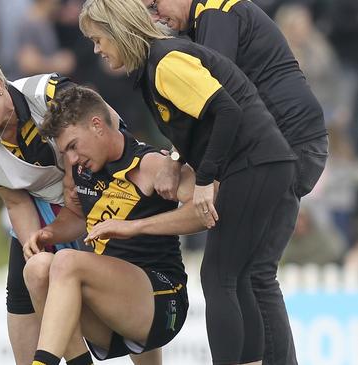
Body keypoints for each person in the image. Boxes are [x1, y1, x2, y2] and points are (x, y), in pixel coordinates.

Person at [78, 1, 298, 364]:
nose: (97, 49)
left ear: (117, 29)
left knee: (218, 277)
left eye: (97, 39)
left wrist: (204, 179)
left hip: (256, 163)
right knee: (235, 276)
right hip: (261, 163)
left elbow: (227, 110)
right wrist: (179, 159)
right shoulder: (153, 65)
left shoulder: (164, 61)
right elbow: (199, 127)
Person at [131, 1, 331, 363]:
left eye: (155, 4)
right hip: (294, 140)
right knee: (250, 272)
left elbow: (214, 98)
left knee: (248, 273)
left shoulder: (214, 15)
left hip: (285, 142)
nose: (156, 17)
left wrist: (181, 164)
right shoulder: (209, 17)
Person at [24, 86, 198, 365]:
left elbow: (205, 211)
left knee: (66, 261)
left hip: (162, 301)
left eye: (72, 146)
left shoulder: (150, 164)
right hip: (114, 303)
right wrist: (49, 233)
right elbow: (78, 217)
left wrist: (136, 227)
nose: (70, 159)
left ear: (97, 126)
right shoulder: (82, 170)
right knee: (37, 268)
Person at [0, 52, 92, 365]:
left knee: (124, 280)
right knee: (25, 284)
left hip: (96, 191)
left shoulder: (50, 92)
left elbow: (99, 133)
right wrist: (32, 246)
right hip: (39, 203)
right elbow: (15, 200)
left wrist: (71, 181)